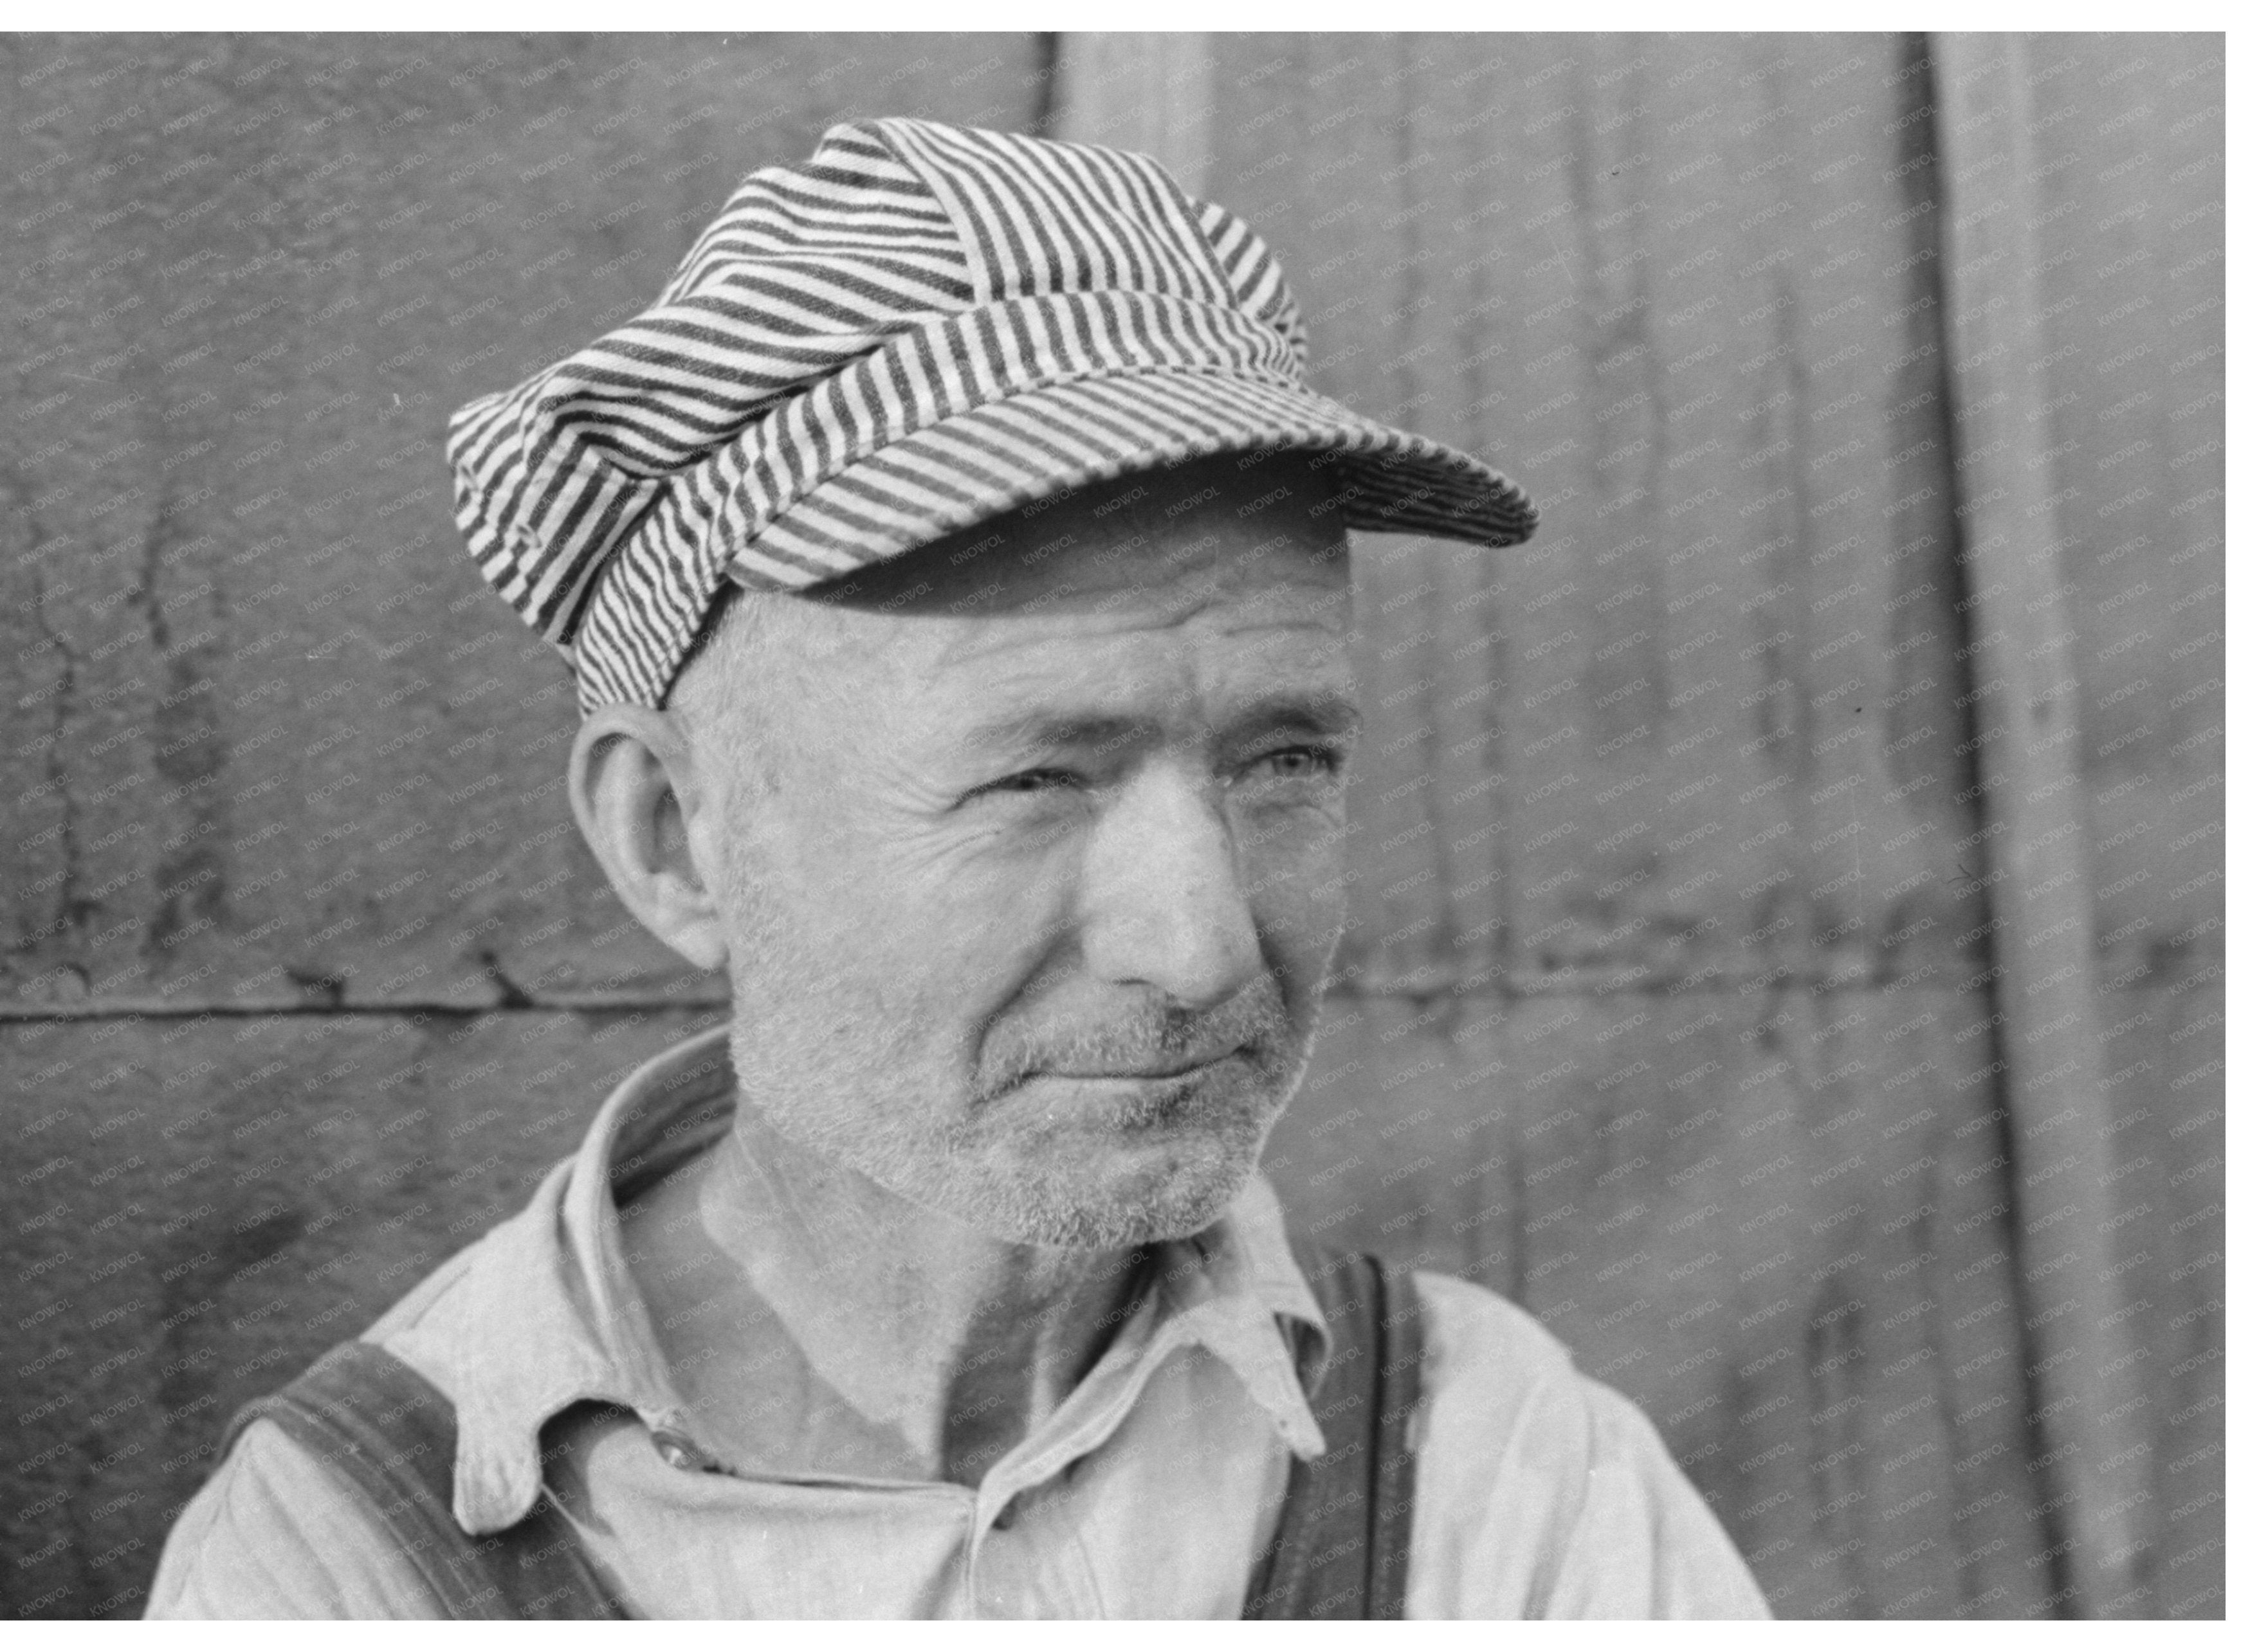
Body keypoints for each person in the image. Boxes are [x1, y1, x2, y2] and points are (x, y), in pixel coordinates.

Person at [147, 116, 1769, 1620]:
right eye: (1034, 780)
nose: (1200, 949)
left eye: (1283, 762)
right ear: (672, 838)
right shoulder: (343, 1566)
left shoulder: (1496, 1472)